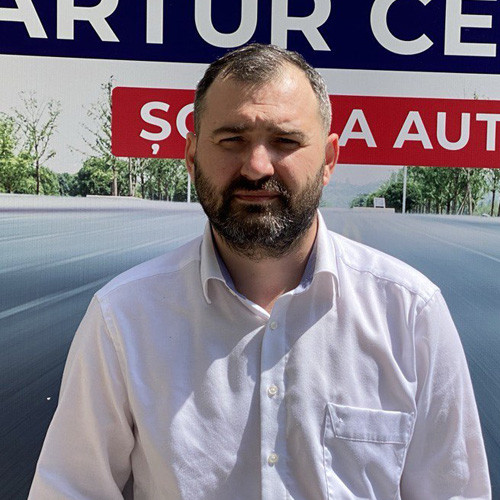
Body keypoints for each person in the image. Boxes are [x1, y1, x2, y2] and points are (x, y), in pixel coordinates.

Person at [29, 44, 490, 499]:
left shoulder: (410, 313)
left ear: (329, 160)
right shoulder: (123, 318)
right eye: (232, 140)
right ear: (191, 156)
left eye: (285, 141)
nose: (256, 166)